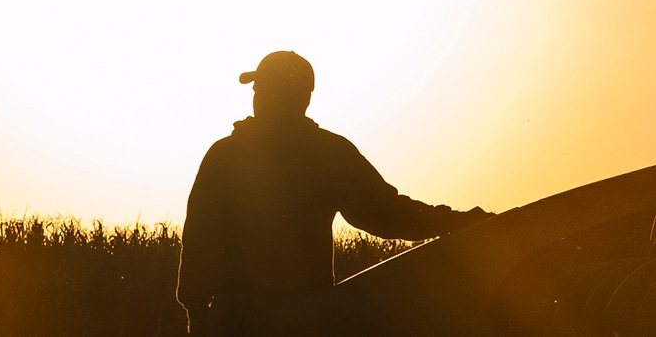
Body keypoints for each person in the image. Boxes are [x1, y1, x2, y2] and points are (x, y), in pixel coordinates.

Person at [174, 51, 494, 336]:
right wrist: (457, 222)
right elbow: (387, 214)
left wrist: (198, 315)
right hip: (307, 319)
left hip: (241, 322)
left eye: (261, 89)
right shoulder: (328, 153)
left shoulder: (226, 154)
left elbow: (200, 240)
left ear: (282, 94)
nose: (256, 97)